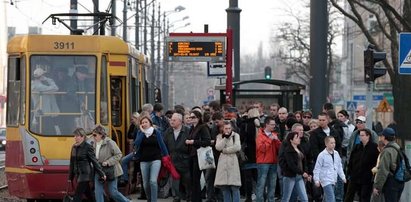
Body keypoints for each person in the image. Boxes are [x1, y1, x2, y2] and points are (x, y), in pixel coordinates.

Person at [134, 116, 169, 202]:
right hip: (144, 160)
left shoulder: (156, 132)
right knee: (146, 184)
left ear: (150, 123)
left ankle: (154, 200)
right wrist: (142, 132)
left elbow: (162, 144)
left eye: (146, 122)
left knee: (153, 181)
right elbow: (137, 143)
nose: (144, 124)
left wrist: (167, 156)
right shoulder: (140, 133)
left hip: (156, 159)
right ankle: (149, 199)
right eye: (142, 123)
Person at [91, 125, 130, 202]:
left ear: (101, 134)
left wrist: (108, 162)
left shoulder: (110, 143)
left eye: (95, 135)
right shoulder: (93, 144)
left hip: (111, 170)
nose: (93, 137)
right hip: (99, 170)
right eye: (92, 135)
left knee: (113, 192)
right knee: (98, 192)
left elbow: (119, 154)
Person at [68, 128, 106, 202]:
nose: (75, 137)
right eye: (74, 136)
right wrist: (70, 177)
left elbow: (94, 161)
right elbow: (72, 163)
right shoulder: (74, 147)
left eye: (77, 136)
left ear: (82, 137)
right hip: (77, 174)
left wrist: (101, 173)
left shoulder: (88, 147)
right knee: (88, 194)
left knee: (77, 195)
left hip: (85, 174)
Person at [163, 113, 192, 202]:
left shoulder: (187, 131)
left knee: (187, 181)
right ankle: (177, 197)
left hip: (185, 160)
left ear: (180, 121)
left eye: (174, 120)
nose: (171, 122)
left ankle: (189, 197)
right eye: (171, 120)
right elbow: (164, 144)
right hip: (173, 160)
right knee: (175, 181)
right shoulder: (168, 131)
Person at [344, 128, 379, 202]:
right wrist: (349, 173)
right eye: (360, 135)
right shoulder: (357, 147)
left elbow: (377, 162)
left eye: (362, 135)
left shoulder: (374, 147)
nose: (360, 137)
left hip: (367, 177)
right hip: (355, 176)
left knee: (364, 197)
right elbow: (351, 161)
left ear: (368, 136)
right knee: (349, 195)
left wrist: (373, 175)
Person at [185, 110, 211, 202]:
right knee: (192, 178)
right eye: (190, 117)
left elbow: (207, 141)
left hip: (199, 155)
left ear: (199, 118)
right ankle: (195, 198)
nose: (191, 119)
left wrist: (193, 142)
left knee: (196, 179)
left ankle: (196, 199)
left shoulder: (203, 127)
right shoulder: (192, 128)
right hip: (192, 155)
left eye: (193, 117)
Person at [373, 127, 405, 202]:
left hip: (391, 183)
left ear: (384, 137)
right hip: (399, 181)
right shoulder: (398, 147)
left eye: (381, 136)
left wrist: (377, 187)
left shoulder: (387, 151)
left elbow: (383, 170)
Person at [255, 116, 282, 202]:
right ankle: (259, 200)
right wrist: (270, 140)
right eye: (272, 125)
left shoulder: (275, 134)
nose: (274, 126)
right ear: (266, 125)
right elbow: (262, 149)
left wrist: (277, 141)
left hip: (273, 162)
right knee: (261, 184)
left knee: (272, 184)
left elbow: (280, 149)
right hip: (263, 163)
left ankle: (271, 200)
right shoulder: (260, 136)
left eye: (274, 124)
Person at [214, 121, 242, 202]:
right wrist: (225, 139)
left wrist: (225, 150)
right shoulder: (219, 136)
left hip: (233, 162)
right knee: (225, 187)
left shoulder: (236, 136)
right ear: (223, 128)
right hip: (223, 163)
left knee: (235, 187)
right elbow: (218, 147)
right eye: (226, 128)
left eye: (229, 128)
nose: (228, 130)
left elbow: (237, 147)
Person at [313, 136, 347, 202]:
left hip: (333, 178)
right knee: (331, 198)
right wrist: (316, 180)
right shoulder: (322, 155)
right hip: (325, 179)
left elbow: (339, 166)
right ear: (326, 144)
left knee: (327, 197)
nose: (333, 144)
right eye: (331, 143)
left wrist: (343, 177)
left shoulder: (336, 153)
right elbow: (317, 168)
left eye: (334, 142)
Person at [280, 132, 309, 202]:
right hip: (290, 176)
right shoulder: (288, 150)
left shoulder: (299, 148)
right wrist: (302, 172)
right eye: (297, 137)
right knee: (286, 198)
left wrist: (305, 171)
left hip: (299, 176)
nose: (299, 139)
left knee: (304, 199)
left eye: (299, 137)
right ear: (291, 140)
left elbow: (304, 162)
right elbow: (291, 165)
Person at [31, 67, 60, 134]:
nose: (45, 77)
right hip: (43, 114)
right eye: (44, 75)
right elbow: (55, 88)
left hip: (46, 113)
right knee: (50, 133)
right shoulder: (37, 86)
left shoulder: (37, 84)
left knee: (48, 132)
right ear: (41, 76)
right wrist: (48, 79)